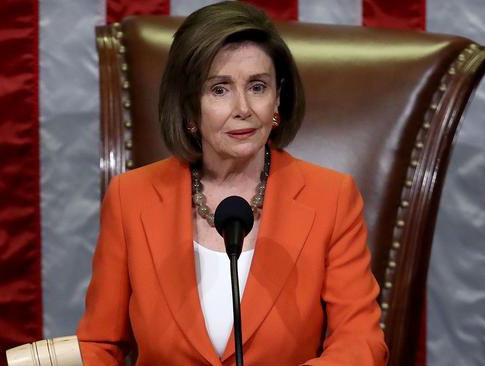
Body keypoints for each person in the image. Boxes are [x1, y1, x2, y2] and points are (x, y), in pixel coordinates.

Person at [77, 2, 388, 365]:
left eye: (257, 86)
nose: (243, 107)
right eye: (220, 89)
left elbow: (360, 342)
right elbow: (99, 345)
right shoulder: (130, 198)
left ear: (277, 97)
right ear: (189, 106)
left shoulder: (331, 198)